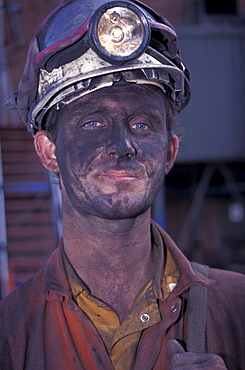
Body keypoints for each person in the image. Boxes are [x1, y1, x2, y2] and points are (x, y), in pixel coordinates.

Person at [1, 0, 244, 369]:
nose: (122, 146)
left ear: (168, 152)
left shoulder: (237, 311)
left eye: (142, 125)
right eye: (92, 124)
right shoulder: (10, 333)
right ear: (49, 151)